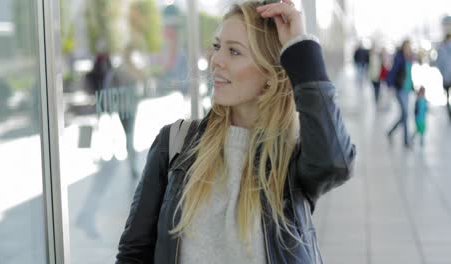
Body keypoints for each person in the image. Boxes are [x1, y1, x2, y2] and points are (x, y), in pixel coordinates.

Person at [115, 1, 356, 263]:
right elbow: (133, 254)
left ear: (270, 72)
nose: (216, 60)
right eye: (218, 47)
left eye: (234, 52)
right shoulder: (174, 144)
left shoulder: (292, 156)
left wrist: (300, 46)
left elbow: (336, 162)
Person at [387, 40, 414, 147]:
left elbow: (409, 74)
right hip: (400, 89)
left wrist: (413, 86)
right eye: (406, 46)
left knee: (404, 115)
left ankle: (391, 131)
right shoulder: (399, 57)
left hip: (407, 89)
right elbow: (393, 71)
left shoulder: (410, 58)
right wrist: (389, 84)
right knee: (405, 114)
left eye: (409, 46)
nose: (408, 48)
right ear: (403, 47)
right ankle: (406, 141)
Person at [436, 33, 451, 119]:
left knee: (447, 96)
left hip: (446, 78)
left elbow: (439, 64)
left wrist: (443, 73)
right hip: (446, 77)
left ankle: (449, 113)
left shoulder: (441, 49)